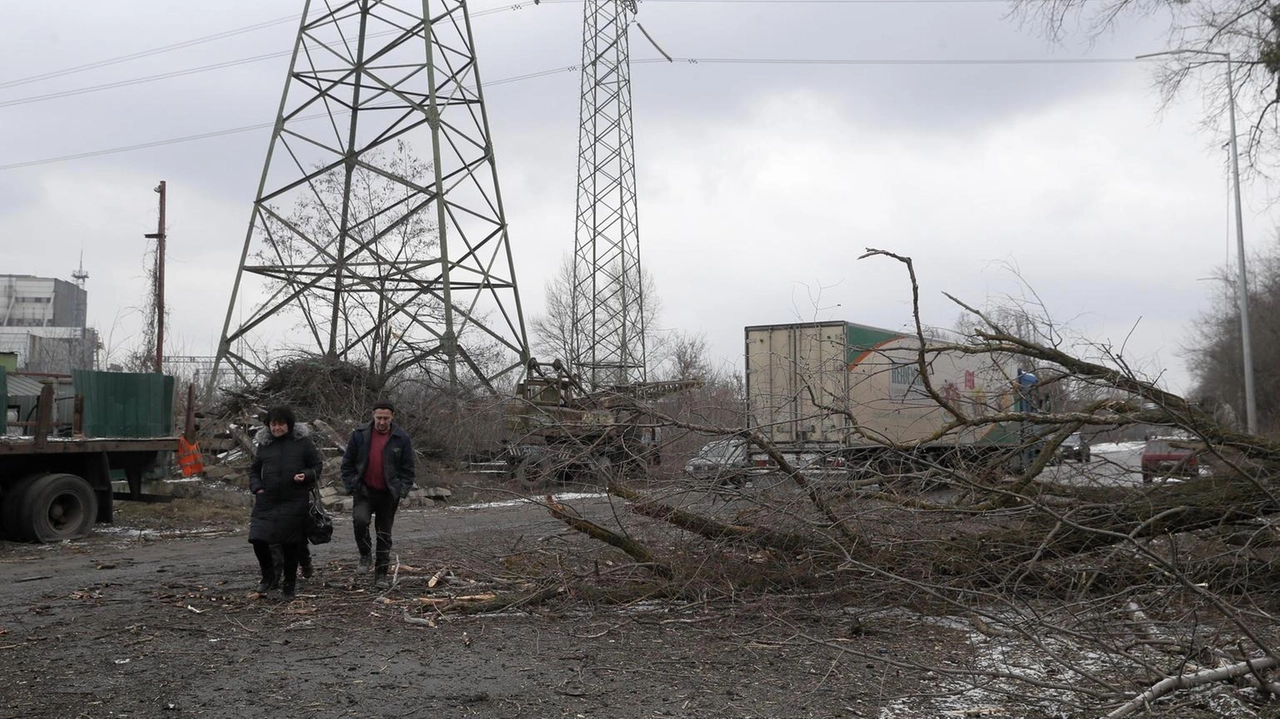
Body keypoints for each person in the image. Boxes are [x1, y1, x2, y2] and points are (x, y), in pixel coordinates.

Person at [249, 406, 323, 600]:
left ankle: (289, 585)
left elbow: (317, 466)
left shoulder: (303, 443)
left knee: (290, 544)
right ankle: (268, 576)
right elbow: (255, 470)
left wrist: (306, 475)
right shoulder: (264, 444)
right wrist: (257, 487)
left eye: (281, 424)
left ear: (289, 424)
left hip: (294, 499)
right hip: (267, 500)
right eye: (273, 424)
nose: (277, 428)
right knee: (258, 538)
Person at [341, 400, 415, 589]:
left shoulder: (401, 438)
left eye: (385, 418)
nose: (381, 422)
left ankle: (381, 574)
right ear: (373, 416)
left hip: (389, 494)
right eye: (378, 418)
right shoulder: (360, 435)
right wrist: (351, 484)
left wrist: (402, 490)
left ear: (392, 417)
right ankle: (365, 554)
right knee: (359, 521)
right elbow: (347, 463)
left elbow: (408, 469)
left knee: (384, 535)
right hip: (364, 491)